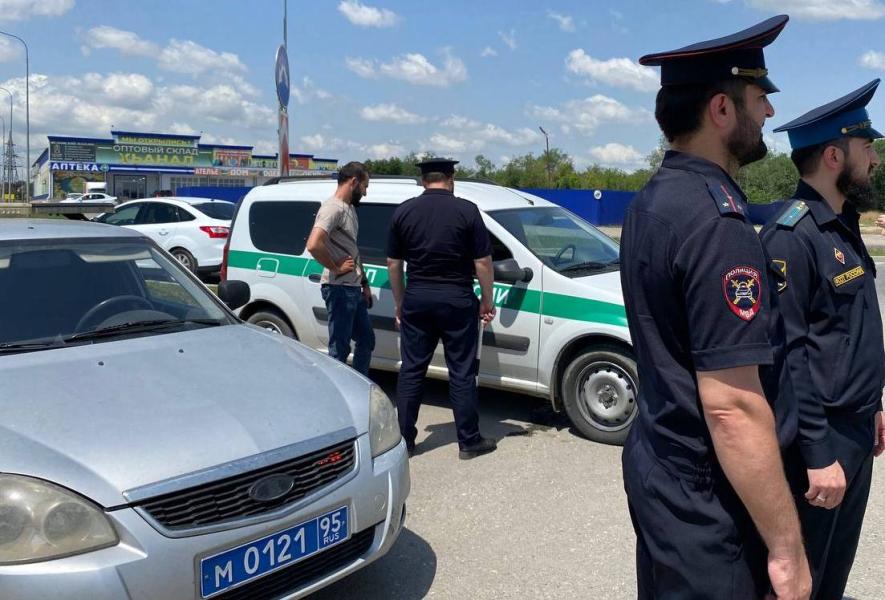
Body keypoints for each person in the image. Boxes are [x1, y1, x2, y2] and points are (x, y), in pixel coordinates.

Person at [620, 15, 811, 599]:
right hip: (709, 495)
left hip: (662, 465)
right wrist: (787, 551)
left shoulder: (654, 199)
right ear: (722, 109)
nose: (769, 113)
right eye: (759, 98)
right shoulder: (716, 221)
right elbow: (732, 407)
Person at [760, 79, 885, 600]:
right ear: (834, 156)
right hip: (822, 440)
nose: (874, 159)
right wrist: (815, 452)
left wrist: (873, 406)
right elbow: (788, 356)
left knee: (833, 573)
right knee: (801, 581)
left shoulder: (843, 225)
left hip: (855, 428)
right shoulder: (792, 236)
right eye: (867, 147)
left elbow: (848, 333)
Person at [386, 158, 497, 460]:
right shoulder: (467, 210)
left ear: (423, 180)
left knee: (411, 370)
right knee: (461, 372)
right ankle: (469, 441)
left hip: (417, 298)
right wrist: (487, 300)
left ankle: (405, 441)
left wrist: (400, 302)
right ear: (451, 178)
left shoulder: (404, 211)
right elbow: (483, 262)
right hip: (456, 299)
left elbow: (394, 263)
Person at [306, 161, 375, 376]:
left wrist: (364, 283)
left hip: (353, 288)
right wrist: (335, 267)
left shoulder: (349, 209)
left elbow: (352, 249)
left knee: (366, 340)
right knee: (340, 348)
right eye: (364, 186)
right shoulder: (332, 208)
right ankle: (338, 389)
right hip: (339, 289)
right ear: (354, 182)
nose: (365, 192)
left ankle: (360, 384)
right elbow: (313, 244)